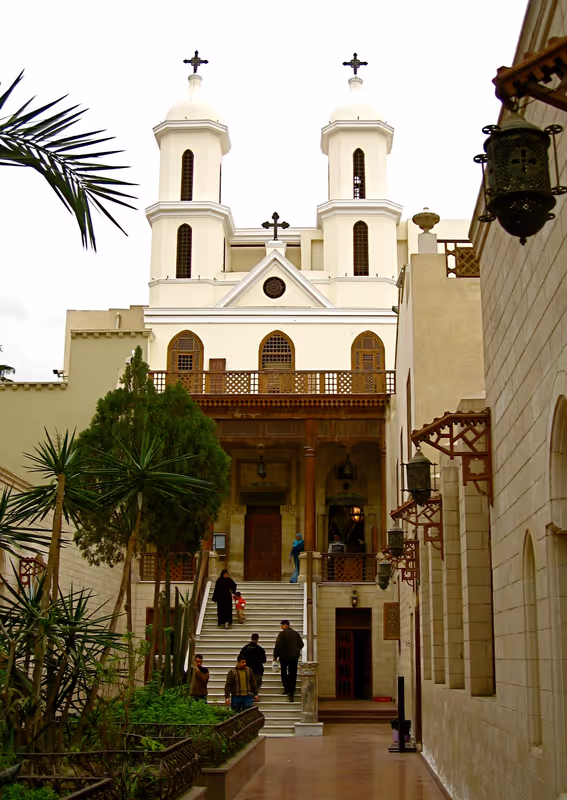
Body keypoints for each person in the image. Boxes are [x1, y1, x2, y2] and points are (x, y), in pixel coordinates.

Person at [273, 620, 304, 702]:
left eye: (282, 625)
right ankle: (291, 692)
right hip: (293, 657)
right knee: (293, 674)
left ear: (286, 625)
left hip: (283, 657)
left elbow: (278, 645)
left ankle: (286, 689)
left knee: (284, 673)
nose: (282, 627)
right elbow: (301, 645)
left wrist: (275, 656)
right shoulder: (295, 634)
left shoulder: (282, 634)